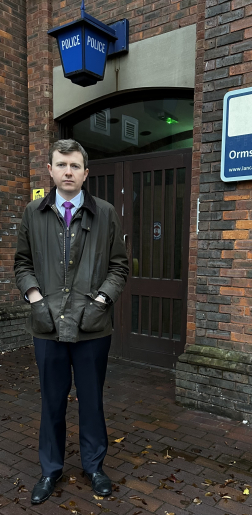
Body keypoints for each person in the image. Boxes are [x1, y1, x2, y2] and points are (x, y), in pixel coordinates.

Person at [14, 139, 129, 504]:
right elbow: (22, 263)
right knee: (52, 401)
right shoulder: (34, 212)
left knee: (92, 400)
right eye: (61, 165)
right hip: (46, 326)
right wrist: (35, 299)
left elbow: (119, 265)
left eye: (75, 166)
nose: (68, 171)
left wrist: (100, 301)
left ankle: (94, 467)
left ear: (85, 173)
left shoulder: (105, 212)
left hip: (92, 327)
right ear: (49, 170)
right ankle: (51, 469)